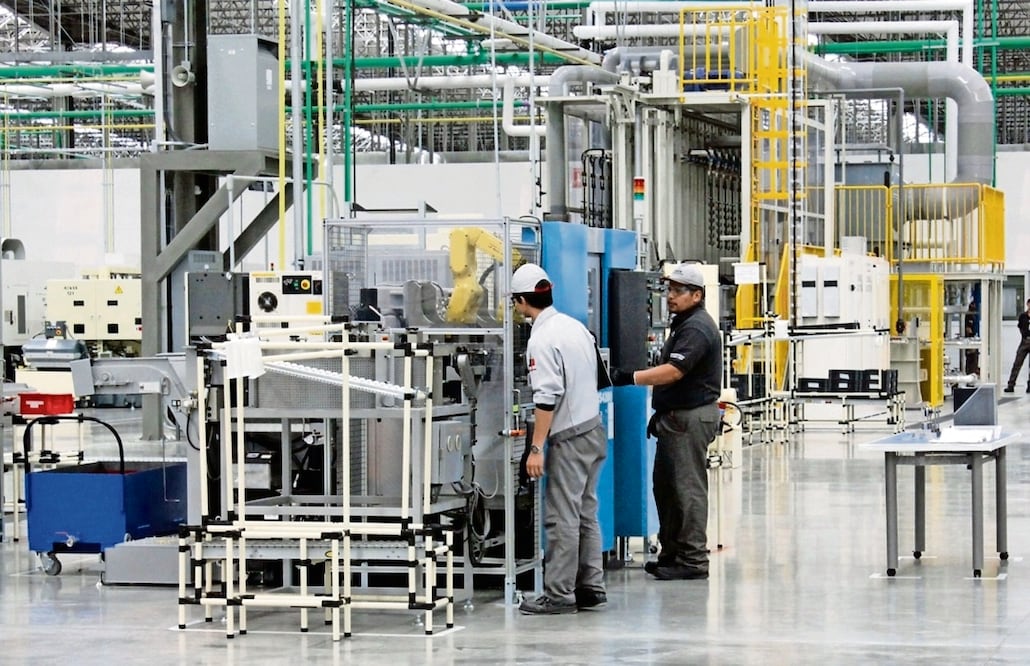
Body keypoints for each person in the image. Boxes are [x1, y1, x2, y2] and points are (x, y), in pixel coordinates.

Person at [611, 262, 722, 581]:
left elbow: (674, 372)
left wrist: (628, 377)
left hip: (690, 419)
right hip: (675, 418)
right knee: (667, 489)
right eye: (669, 289)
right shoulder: (683, 323)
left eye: (678, 291)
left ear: (697, 295)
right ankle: (672, 553)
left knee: (687, 490)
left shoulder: (697, 328)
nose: (671, 296)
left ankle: (693, 560)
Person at [511, 263, 608, 615]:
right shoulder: (574, 327)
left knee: (562, 517)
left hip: (570, 437)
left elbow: (546, 398)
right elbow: (599, 376)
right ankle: (590, 586)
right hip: (594, 427)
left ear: (522, 302)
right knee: (585, 512)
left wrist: (536, 448)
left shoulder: (541, 339)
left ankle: (558, 594)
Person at [1004, 297, 1030, 393]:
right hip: (1025, 341)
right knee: (1017, 363)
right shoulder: (1023, 316)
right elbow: (1020, 326)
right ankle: (1011, 384)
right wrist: (1024, 335)